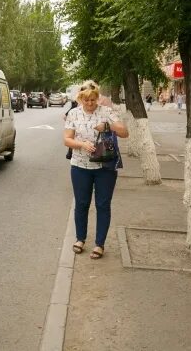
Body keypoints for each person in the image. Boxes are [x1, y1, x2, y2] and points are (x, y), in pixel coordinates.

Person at [64, 80, 129, 259]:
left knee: (102, 205)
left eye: (93, 100)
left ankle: (99, 244)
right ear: (81, 99)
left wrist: (108, 126)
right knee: (82, 204)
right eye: (87, 100)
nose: (90, 104)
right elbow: (67, 140)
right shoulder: (73, 114)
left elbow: (124, 132)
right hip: (80, 166)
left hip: (105, 167)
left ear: (97, 98)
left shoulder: (107, 112)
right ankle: (80, 239)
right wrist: (81, 144)